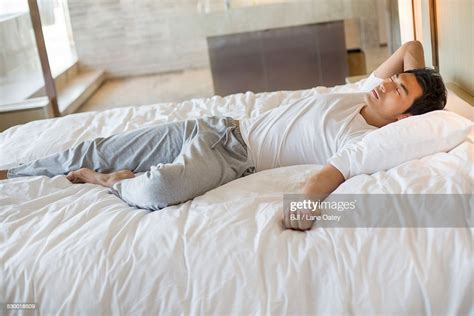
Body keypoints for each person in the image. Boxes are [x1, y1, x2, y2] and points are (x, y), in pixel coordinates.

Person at [0, 41, 447, 226]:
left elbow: (324, 180)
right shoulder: (363, 93)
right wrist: (416, 84)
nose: (387, 83)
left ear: (406, 119)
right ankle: (16, 172)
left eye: (399, 89)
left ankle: (107, 182)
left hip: (234, 156)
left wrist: (304, 211)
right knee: (100, 146)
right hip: (218, 125)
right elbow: (412, 48)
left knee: (160, 187)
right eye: (395, 81)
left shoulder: (362, 140)